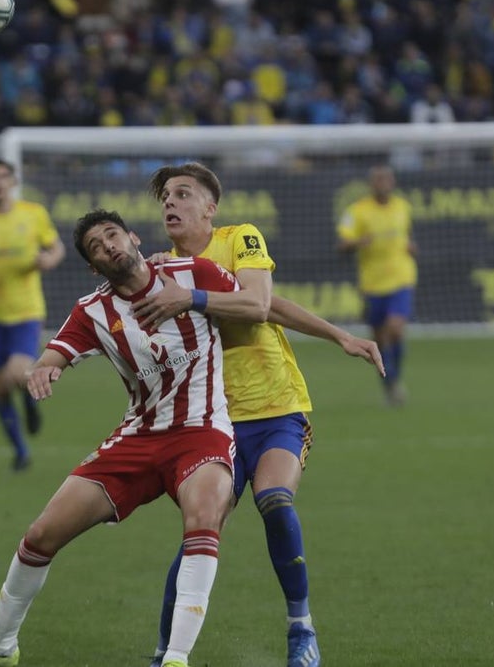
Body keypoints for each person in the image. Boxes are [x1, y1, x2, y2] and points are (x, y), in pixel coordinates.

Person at [0, 209, 250, 667]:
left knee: (204, 517)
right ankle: (0, 650)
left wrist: (193, 299)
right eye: (96, 246)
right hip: (139, 438)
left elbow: (257, 305)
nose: (108, 245)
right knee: (41, 535)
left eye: (112, 235)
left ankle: (176, 659)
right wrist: (44, 370)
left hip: (202, 431)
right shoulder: (94, 310)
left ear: (132, 238)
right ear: (93, 266)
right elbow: (54, 355)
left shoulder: (193, 272)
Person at [132, 162, 384, 667]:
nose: (171, 203)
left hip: (276, 406)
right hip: (214, 423)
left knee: (274, 497)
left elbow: (259, 303)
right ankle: (163, 652)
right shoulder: (164, 272)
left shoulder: (239, 239)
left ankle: (301, 629)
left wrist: (341, 338)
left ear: (210, 206)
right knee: (201, 528)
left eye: (183, 194)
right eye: (165, 197)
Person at [0, 159, 64, 471]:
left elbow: (56, 247)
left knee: (16, 370)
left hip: (25, 310)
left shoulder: (33, 214)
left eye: (3, 177)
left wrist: (48, 259)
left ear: (13, 181)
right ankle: (21, 452)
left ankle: (31, 401)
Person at [337, 164, 418, 406]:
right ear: (371, 184)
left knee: (395, 329)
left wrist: (411, 247)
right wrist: (358, 242)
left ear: (392, 182)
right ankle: (389, 383)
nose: (383, 183)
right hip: (372, 284)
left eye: (387, 179)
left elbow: (405, 236)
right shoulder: (357, 211)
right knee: (379, 340)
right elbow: (342, 244)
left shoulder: (403, 207)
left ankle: (395, 381)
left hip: (402, 277)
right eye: (378, 179)